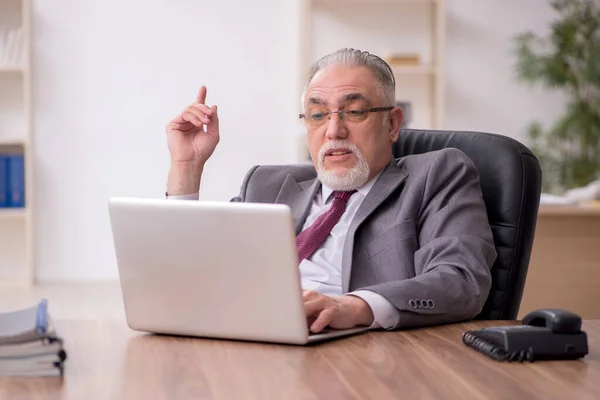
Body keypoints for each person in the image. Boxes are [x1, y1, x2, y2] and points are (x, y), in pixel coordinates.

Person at [164, 48, 497, 334]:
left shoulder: (435, 175)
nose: (334, 130)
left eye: (354, 112)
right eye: (318, 114)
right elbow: (197, 275)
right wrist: (186, 167)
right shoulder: (267, 184)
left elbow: (460, 280)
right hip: (250, 339)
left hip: (362, 356)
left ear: (393, 123)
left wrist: (353, 308)